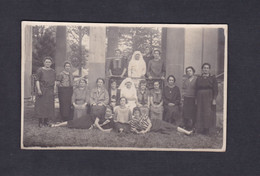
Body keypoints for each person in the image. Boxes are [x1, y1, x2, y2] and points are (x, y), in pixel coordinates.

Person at [195, 63, 218, 134]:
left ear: (209, 69)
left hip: (209, 96)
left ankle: (207, 129)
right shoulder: (199, 78)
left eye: (207, 68)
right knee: (200, 112)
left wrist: (214, 99)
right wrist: (196, 99)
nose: (206, 69)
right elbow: (196, 89)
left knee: (207, 112)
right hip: (199, 96)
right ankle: (200, 128)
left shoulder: (213, 78)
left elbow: (215, 89)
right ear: (202, 69)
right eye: (204, 68)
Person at [34, 57, 56, 127]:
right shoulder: (40, 70)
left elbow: (54, 81)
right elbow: (37, 80)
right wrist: (39, 90)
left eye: (49, 62)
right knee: (41, 105)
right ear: (44, 62)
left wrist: (54, 89)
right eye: (46, 62)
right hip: (42, 89)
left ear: (51, 63)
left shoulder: (53, 71)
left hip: (50, 90)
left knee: (48, 106)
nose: (48, 63)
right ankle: (40, 122)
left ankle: (46, 121)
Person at [180, 66, 197, 131]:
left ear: (193, 71)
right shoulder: (185, 80)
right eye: (187, 71)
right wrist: (183, 97)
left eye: (190, 71)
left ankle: (193, 126)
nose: (189, 72)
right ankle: (186, 125)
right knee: (186, 112)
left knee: (193, 112)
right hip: (186, 98)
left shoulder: (196, 79)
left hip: (193, 98)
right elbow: (183, 89)